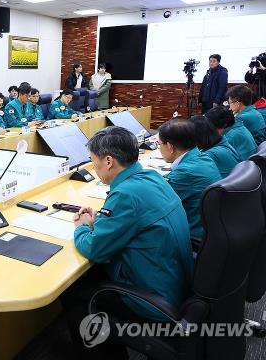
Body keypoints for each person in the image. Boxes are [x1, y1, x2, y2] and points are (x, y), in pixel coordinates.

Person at [61, 126, 193, 359]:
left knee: (75, 295)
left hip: (154, 299)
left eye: (94, 162)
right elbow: (132, 221)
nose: (94, 168)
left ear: (109, 161)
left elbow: (93, 249)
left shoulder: (125, 195)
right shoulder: (150, 177)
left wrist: (82, 226)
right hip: (176, 283)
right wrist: (98, 222)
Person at [157, 118, 220, 240]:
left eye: (159, 144)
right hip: (208, 228)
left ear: (170, 146)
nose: (158, 147)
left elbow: (152, 204)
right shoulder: (202, 157)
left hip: (191, 235)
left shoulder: (185, 172)